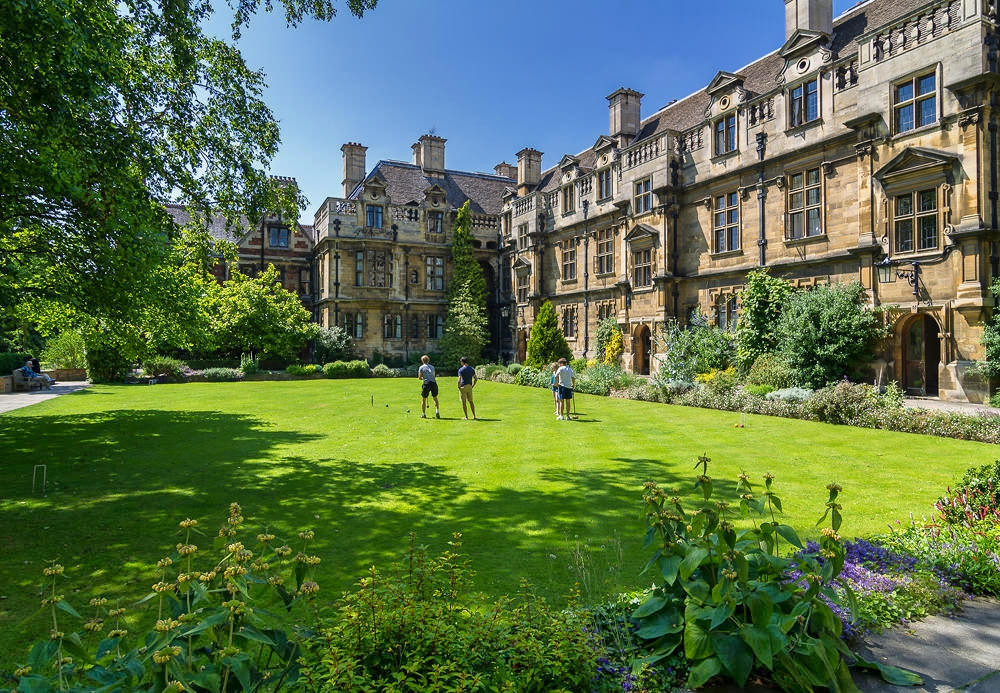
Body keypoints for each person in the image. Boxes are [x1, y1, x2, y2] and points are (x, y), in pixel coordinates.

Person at [417, 354, 440, 419]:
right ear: (428, 360)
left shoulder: (421, 367)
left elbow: (419, 377)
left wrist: (423, 378)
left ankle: (423, 414)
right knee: (435, 398)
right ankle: (437, 411)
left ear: (422, 361)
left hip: (426, 383)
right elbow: (433, 375)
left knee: (424, 399)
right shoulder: (432, 367)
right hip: (433, 383)